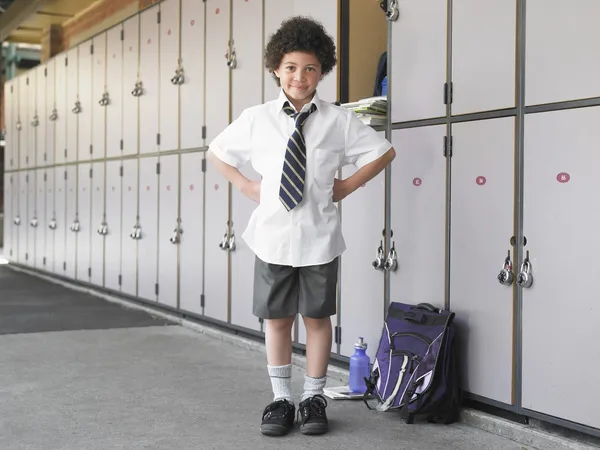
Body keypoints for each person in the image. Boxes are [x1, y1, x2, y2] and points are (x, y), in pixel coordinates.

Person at [207, 16, 396, 437]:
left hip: (319, 238)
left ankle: (313, 397)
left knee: (315, 317)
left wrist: (346, 185)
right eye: (291, 67)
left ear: (322, 72)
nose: (300, 76)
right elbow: (218, 152)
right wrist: (246, 184)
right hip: (271, 236)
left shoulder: (337, 120)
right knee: (277, 319)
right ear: (277, 67)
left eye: (310, 68)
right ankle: (280, 399)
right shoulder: (256, 118)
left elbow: (383, 151)